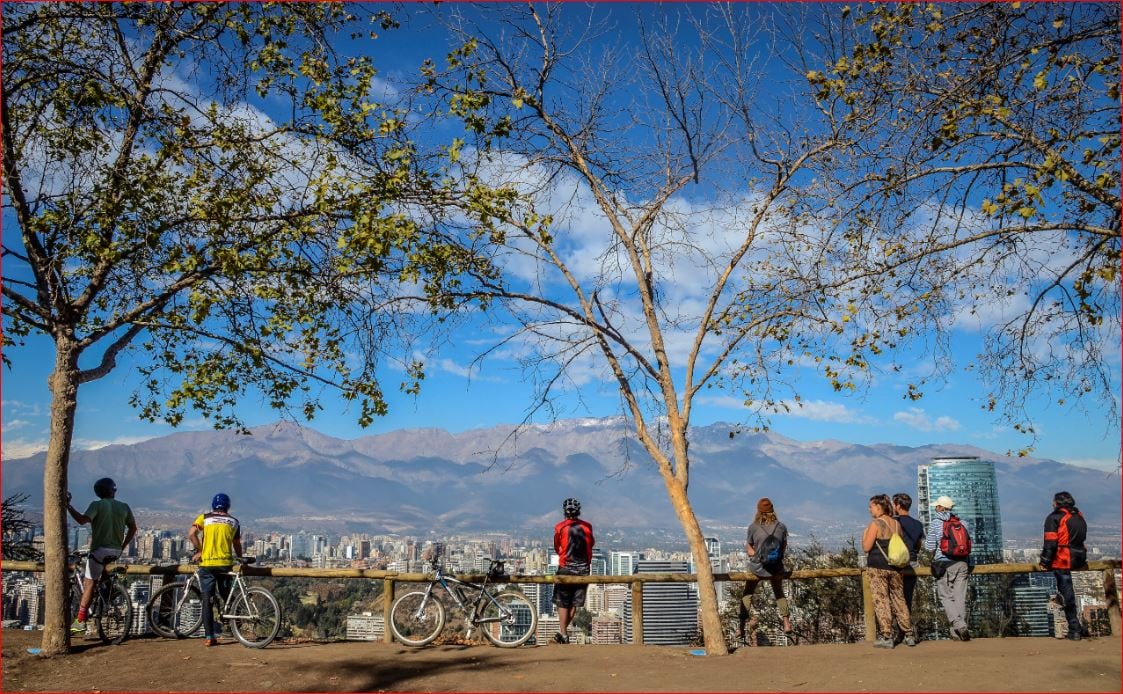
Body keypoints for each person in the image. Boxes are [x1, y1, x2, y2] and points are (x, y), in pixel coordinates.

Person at [66, 478, 137, 634]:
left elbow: (82, 520)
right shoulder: (124, 507)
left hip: (99, 550)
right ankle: (108, 587)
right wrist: (123, 546)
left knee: (89, 583)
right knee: (100, 570)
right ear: (113, 491)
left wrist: (68, 506)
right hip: (116, 551)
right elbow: (133, 528)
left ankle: (80, 621)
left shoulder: (96, 505)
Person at [188, 493, 243, 647]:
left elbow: (191, 534)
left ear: (213, 505)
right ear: (228, 506)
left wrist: (201, 550)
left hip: (207, 565)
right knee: (227, 596)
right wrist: (240, 558)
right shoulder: (234, 522)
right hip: (225, 564)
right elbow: (237, 544)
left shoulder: (204, 518)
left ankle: (210, 637)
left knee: (207, 600)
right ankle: (235, 628)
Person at [862, 494, 913, 648]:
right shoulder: (896, 524)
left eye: (871, 506)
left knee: (881, 600)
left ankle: (887, 635)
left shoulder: (876, 524)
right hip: (896, 567)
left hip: (878, 567)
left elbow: (866, 547)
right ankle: (909, 633)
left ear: (878, 507)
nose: (869, 509)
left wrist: (864, 535)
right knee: (899, 599)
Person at [739, 497, 792, 644]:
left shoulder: (753, 527)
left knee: (747, 593)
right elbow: (783, 547)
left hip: (757, 568)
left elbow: (749, 548)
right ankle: (786, 622)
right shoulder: (781, 527)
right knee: (779, 592)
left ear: (758, 511)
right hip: (776, 568)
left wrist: (756, 555)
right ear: (772, 510)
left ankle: (741, 626)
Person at [1039, 491, 1089, 641]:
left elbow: (1050, 543)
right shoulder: (1078, 516)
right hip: (1079, 557)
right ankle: (1078, 627)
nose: (1052, 503)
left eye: (1053, 501)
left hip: (1063, 558)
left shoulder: (1054, 518)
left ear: (1057, 502)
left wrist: (1044, 561)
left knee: (1067, 595)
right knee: (1068, 595)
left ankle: (1074, 629)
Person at [924, 494, 970, 641]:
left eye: (936, 506)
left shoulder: (936, 523)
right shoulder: (962, 522)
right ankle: (956, 632)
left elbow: (929, 547)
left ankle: (959, 625)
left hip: (944, 563)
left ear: (940, 507)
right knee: (959, 598)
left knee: (945, 596)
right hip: (962, 563)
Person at [552, 497, 594, 644]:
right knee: (574, 603)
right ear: (579, 511)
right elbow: (591, 544)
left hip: (565, 569)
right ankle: (563, 633)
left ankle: (563, 633)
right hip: (583, 569)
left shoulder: (560, 527)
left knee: (562, 602)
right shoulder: (587, 527)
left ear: (564, 512)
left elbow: (557, 547)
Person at [892, 492, 925, 641]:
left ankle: (899, 632)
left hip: (896, 564)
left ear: (897, 506)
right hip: (912, 562)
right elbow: (919, 545)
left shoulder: (893, 522)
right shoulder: (917, 524)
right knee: (907, 598)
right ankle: (906, 631)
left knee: (895, 599)